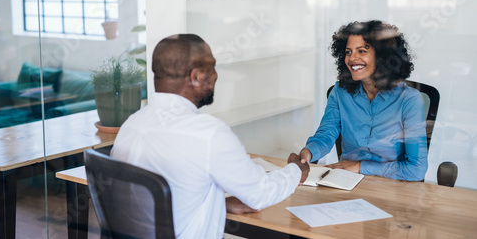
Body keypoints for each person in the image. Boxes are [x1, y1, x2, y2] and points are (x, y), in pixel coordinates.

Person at [111, 34, 309, 239]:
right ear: (195, 76)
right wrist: (296, 171)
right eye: (212, 68)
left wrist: (220, 204)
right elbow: (260, 193)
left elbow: (148, 204)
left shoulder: (131, 125)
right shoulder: (207, 134)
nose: (216, 76)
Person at [299, 20, 428, 181]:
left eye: (361, 51)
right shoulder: (340, 92)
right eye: (348, 52)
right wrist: (309, 152)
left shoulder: (409, 100)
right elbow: (326, 134)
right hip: (346, 181)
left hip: (393, 185)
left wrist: (360, 167)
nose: (352, 58)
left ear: (381, 56)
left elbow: (416, 170)